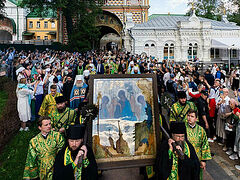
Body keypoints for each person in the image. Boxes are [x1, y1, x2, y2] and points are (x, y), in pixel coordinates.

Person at [186, 109, 212, 180]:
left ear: (196, 119)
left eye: (192, 116)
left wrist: (203, 160)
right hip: (186, 157)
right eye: (188, 116)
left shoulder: (201, 130)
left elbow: (205, 145)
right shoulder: (183, 128)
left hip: (198, 158)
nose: (189, 118)